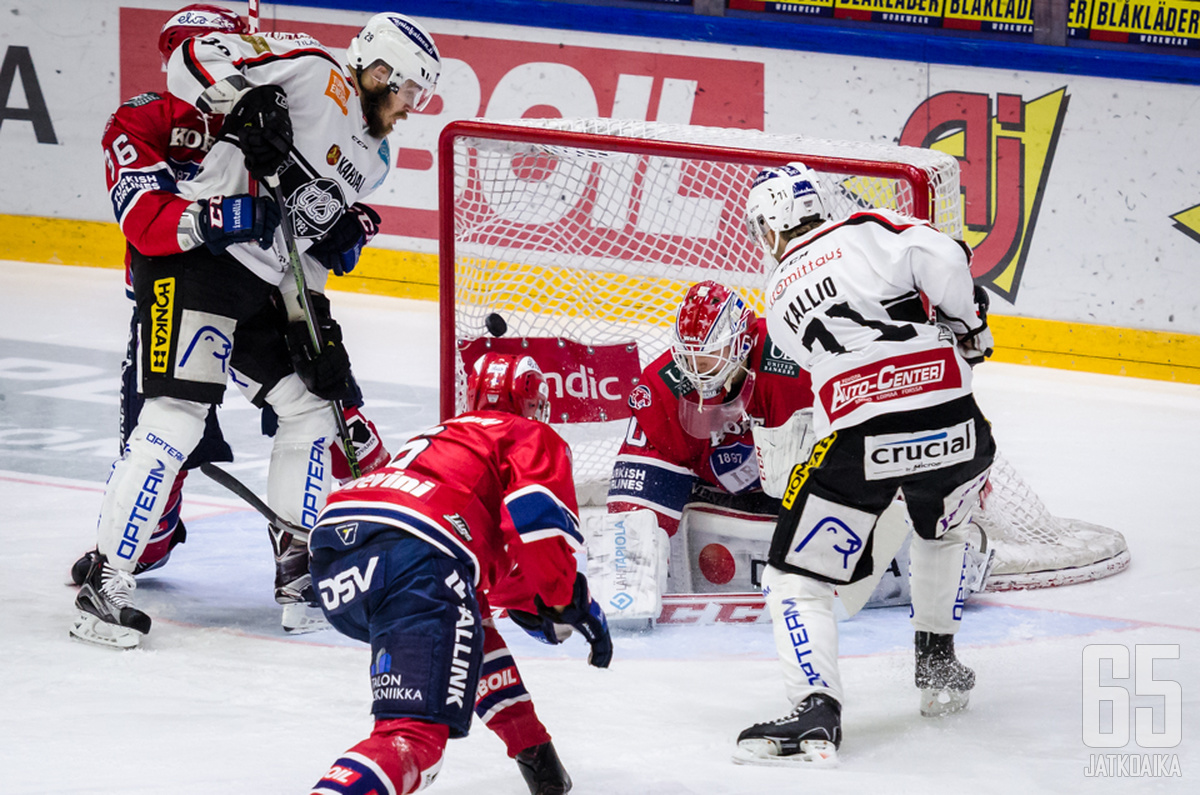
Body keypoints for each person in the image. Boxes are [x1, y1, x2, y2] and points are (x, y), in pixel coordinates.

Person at [69, 9, 425, 649]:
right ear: (377, 71)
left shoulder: (376, 158)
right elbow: (194, 57)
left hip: (266, 283)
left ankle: (299, 575)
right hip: (199, 262)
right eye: (408, 91)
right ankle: (107, 583)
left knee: (313, 404)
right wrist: (248, 96)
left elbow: (304, 247)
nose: (411, 108)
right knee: (176, 415)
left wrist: (312, 322)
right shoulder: (315, 70)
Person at [732, 162, 996, 766]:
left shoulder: (776, 296)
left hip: (860, 435)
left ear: (775, 223)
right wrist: (967, 326)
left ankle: (815, 707)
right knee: (943, 527)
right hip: (955, 420)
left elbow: (821, 365)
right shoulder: (866, 227)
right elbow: (947, 256)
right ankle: (938, 662)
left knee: (794, 577)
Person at [307, 352, 611, 795]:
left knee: (461, 630)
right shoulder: (529, 433)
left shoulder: (445, 437)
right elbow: (536, 525)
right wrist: (566, 599)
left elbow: (472, 636)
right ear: (531, 403)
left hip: (339, 553)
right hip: (416, 551)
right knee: (411, 743)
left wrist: (532, 747)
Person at [595, 280, 986, 617]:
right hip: (718, 498)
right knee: (634, 520)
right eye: (691, 357)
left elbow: (873, 425)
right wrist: (629, 565)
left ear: (743, 341)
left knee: (902, 491)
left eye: (711, 355)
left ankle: (945, 550)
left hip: (805, 491)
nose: (700, 370)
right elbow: (638, 493)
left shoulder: (797, 358)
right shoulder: (664, 386)